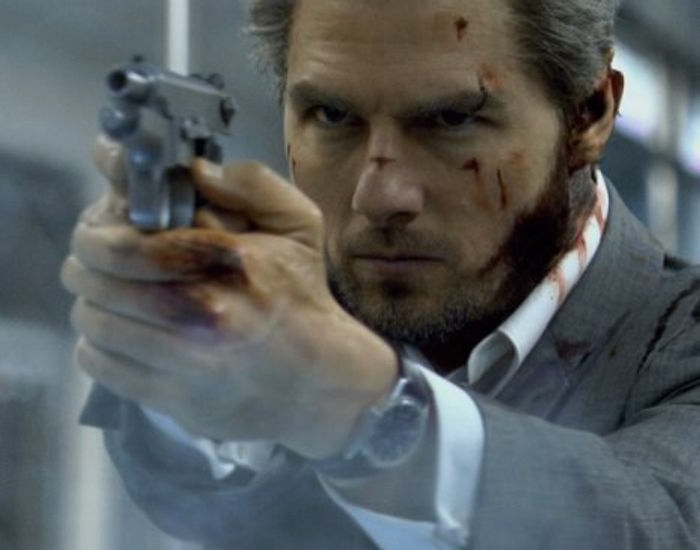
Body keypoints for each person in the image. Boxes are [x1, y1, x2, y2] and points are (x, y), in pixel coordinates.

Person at [61, 0, 700, 548]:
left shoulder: (678, 336)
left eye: (451, 120)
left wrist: (364, 409)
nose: (378, 195)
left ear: (589, 113)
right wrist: (181, 340)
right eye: (332, 117)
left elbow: (652, 523)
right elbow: (219, 502)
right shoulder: (302, 305)